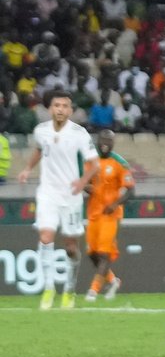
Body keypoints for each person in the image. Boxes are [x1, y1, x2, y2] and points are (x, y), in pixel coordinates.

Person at [17, 89, 98, 310]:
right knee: (45, 237)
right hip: (48, 193)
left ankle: (69, 289)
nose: (60, 109)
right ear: (50, 108)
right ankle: (49, 288)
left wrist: (82, 182)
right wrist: (27, 169)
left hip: (71, 196)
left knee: (71, 247)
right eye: (57, 105)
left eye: (65, 106)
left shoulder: (79, 133)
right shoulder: (41, 131)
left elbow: (95, 163)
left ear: (70, 110)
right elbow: (39, 150)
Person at [84, 129, 133, 301]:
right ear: (97, 141)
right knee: (92, 254)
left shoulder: (120, 163)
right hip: (93, 214)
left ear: (113, 143)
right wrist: (87, 187)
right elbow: (84, 181)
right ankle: (113, 280)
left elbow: (130, 189)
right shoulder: (91, 161)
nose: (105, 143)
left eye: (109, 140)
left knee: (104, 254)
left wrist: (115, 204)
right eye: (102, 139)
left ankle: (93, 290)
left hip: (111, 215)